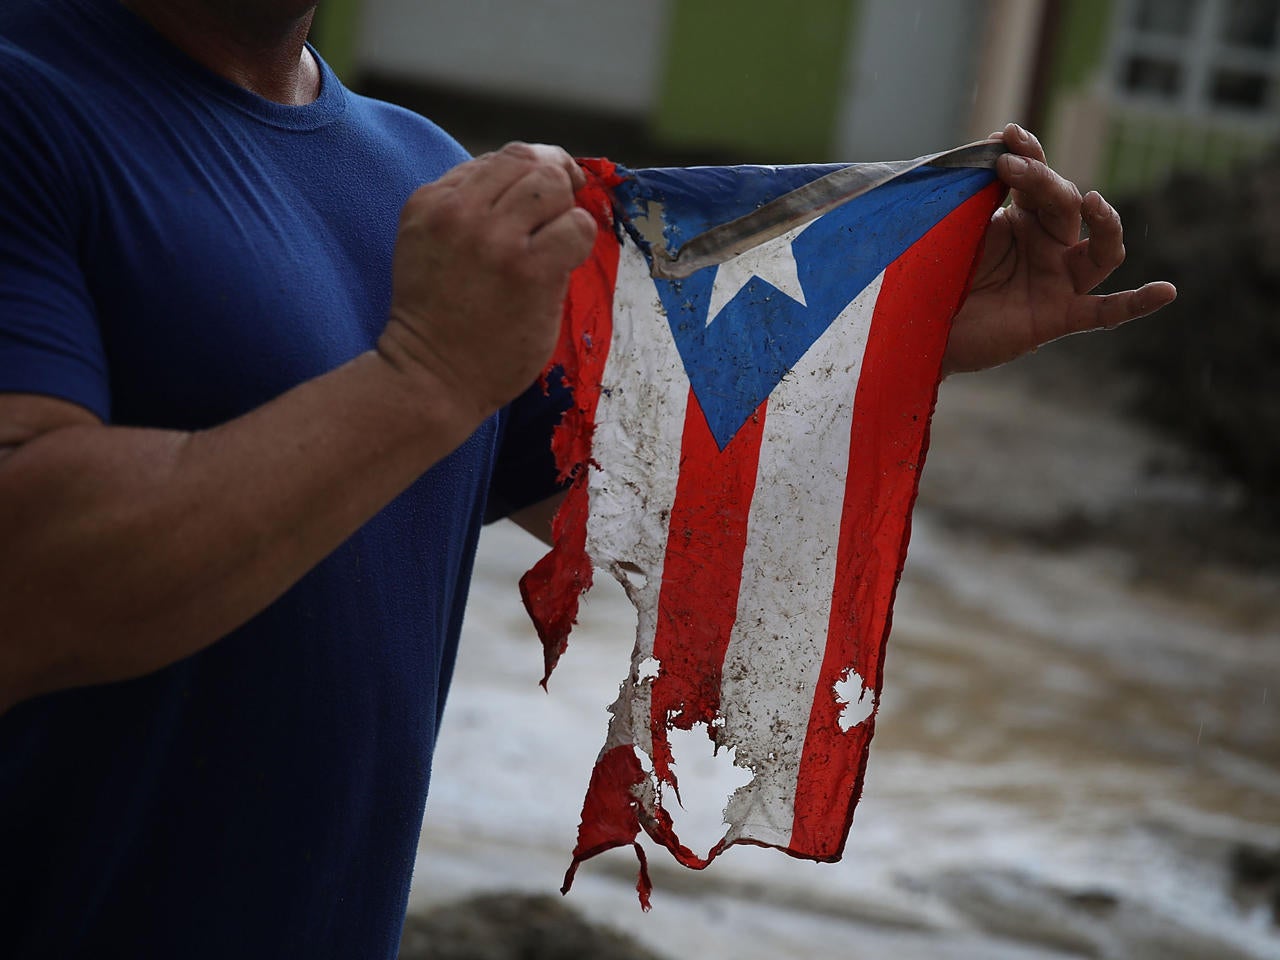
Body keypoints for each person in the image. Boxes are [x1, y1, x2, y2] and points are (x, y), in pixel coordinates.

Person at [0, 0, 1176, 957]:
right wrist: (423, 374)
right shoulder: (26, 101)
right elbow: (27, 579)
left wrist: (892, 333)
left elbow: (608, 493)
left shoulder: (410, 166)